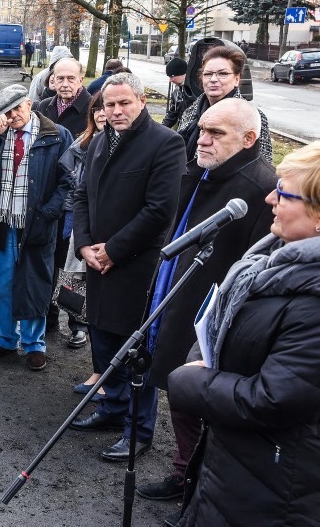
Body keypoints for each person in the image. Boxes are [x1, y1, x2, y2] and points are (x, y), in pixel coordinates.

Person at [134, 99, 276, 514]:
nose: (203, 139)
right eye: (202, 130)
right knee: (182, 397)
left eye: (217, 134)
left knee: (203, 401)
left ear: (248, 140)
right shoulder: (200, 171)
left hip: (211, 317)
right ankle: (184, 472)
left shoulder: (258, 187)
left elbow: (256, 266)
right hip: (173, 294)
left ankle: (201, 484)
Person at [168, 143, 320, 526]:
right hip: (238, 466)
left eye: (283, 192)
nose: (269, 196)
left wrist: (193, 382)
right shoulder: (272, 260)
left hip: (276, 488)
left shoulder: (312, 301)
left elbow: (271, 398)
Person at [70, 72, 185, 462]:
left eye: (124, 103)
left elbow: (159, 211)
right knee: (102, 340)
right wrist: (84, 244)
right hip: (97, 262)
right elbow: (81, 194)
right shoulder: (100, 140)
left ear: (141, 102)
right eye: (109, 105)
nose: (116, 111)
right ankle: (112, 409)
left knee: (134, 351)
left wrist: (113, 251)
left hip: (136, 266)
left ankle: (139, 430)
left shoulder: (165, 144)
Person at [0, 84, 73, 372]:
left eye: (16, 109)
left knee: (34, 282)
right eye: (5, 112)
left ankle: (34, 344)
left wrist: (49, 212)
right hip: (2, 223)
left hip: (37, 225)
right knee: (2, 283)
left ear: (29, 104)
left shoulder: (56, 135)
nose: (12, 116)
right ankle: (5, 338)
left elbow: (69, 180)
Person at [37, 57, 93, 337]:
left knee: (73, 263)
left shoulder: (93, 108)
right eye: (60, 78)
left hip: (79, 199)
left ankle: (77, 323)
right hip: (49, 196)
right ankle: (48, 314)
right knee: (49, 257)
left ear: (81, 80)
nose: (65, 84)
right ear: (52, 80)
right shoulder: (43, 107)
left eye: (71, 78)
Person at [58, 91, 105, 353]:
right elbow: (68, 180)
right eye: (96, 109)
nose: (101, 114)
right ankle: (77, 325)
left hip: (107, 221)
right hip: (79, 217)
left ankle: (95, 326)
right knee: (74, 270)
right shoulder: (81, 145)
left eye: (104, 108)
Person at [177, 45, 272, 164]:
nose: (213, 79)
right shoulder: (190, 111)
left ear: (237, 79)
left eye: (222, 74)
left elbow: (262, 163)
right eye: (208, 74)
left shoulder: (253, 117)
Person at [162, 57, 195, 128]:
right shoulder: (176, 93)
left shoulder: (196, 91)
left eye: (172, 76)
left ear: (181, 74)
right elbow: (172, 115)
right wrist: (160, 130)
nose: (170, 80)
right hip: (184, 132)